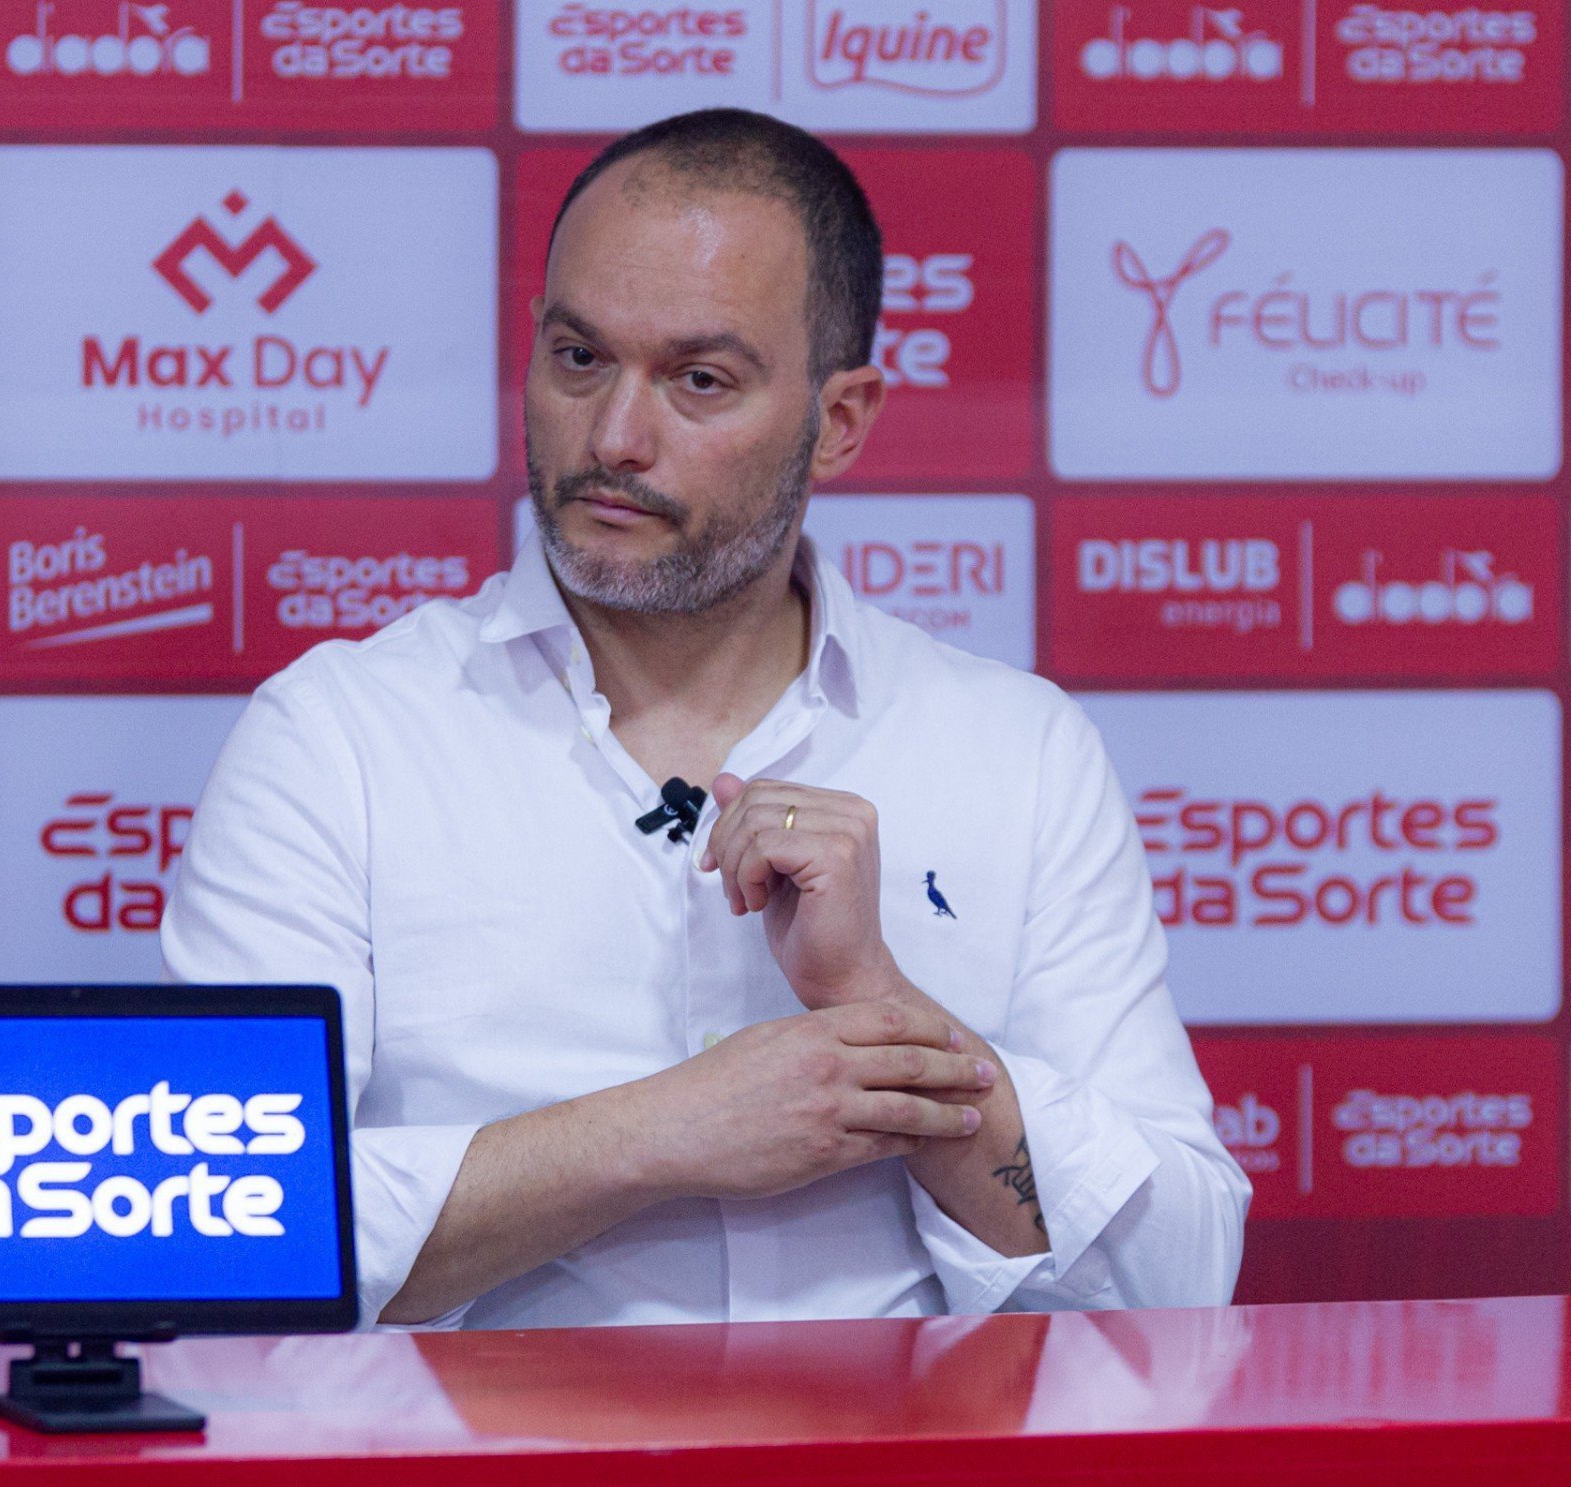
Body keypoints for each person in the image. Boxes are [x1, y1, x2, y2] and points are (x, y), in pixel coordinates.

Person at [161, 108, 1250, 1329]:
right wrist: (657, 1132)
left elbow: (1183, 1278)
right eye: (579, 358)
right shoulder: (340, 741)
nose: (616, 437)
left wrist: (883, 1010)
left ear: (839, 421)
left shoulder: (1018, 750)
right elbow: (220, 1232)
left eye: (699, 380)